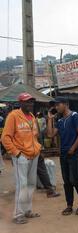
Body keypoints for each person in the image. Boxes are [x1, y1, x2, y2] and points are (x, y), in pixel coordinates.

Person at [1, 93, 42, 224]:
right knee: (22, 185)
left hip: (33, 155)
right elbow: (5, 137)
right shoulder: (13, 116)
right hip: (21, 156)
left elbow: (35, 136)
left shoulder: (32, 117)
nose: (30, 104)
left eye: (31, 102)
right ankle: (18, 214)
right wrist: (16, 153)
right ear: (20, 103)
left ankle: (27, 211)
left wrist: (37, 148)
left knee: (30, 185)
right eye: (27, 102)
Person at [47, 97, 78, 216]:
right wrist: (50, 119)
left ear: (65, 104)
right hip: (64, 153)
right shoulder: (60, 120)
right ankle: (69, 205)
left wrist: (73, 148)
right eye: (55, 105)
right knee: (66, 181)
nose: (56, 107)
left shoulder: (75, 116)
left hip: (74, 152)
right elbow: (50, 135)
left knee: (74, 179)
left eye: (58, 104)